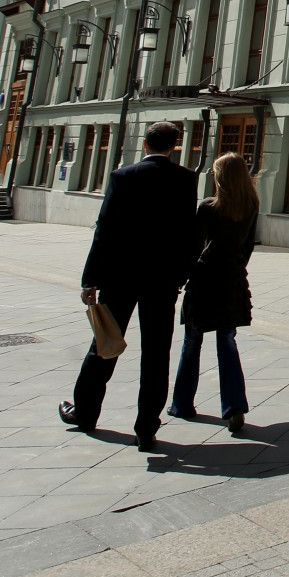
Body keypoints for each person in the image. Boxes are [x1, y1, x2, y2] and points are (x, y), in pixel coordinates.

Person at [58, 121, 199, 452]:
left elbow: (104, 229)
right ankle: (147, 428)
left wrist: (90, 279)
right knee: (156, 354)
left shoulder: (123, 176)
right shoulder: (185, 179)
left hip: (119, 278)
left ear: (146, 144)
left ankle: (86, 412)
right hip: (162, 283)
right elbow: (189, 235)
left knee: (105, 344)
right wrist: (180, 276)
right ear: (174, 146)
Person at [169, 152, 258, 434]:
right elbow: (248, 246)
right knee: (228, 343)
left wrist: (180, 278)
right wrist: (236, 267)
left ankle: (182, 403)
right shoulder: (251, 204)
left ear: (220, 177)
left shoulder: (209, 206)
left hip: (205, 279)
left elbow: (194, 247)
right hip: (232, 280)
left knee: (192, 342)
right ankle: (234, 407)